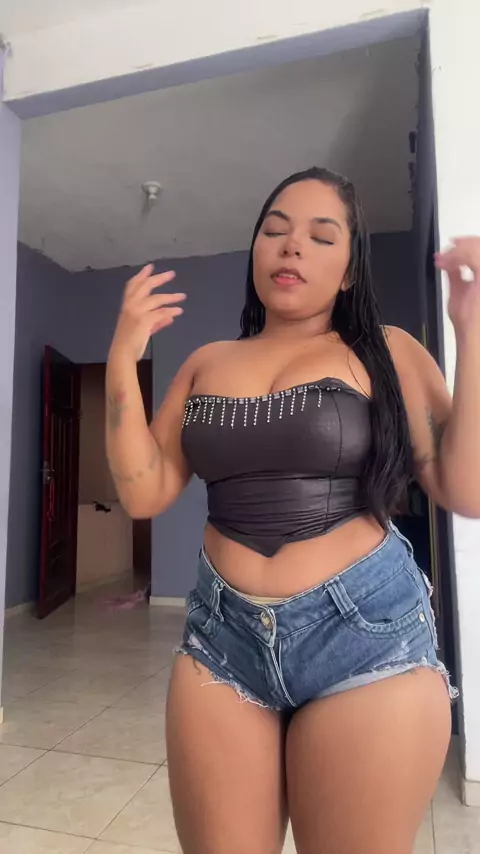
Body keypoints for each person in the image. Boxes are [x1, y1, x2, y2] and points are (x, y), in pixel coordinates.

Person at [106, 167, 480, 854]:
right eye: (275, 231)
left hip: (365, 640)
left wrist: (475, 329)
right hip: (222, 642)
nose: (292, 246)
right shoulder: (206, 362)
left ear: (350, 271)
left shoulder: (388, 351)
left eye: (321, 236)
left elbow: (467, 488)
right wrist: (123, 358)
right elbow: (144, 490)